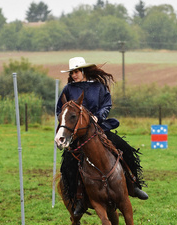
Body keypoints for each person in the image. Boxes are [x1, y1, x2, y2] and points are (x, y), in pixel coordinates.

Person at [56, 57, 148, 216]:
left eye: (76, 71)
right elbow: (60, 110)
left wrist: (98, 116)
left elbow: (107, 104)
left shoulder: (99, 87)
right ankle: (78, 201)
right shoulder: (68, 89)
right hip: (77, 135)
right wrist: (68, 126)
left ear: (83, 71)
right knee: (67, 166)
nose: (74, 75)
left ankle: (134, 185)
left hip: (99, 129)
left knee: (124, 148)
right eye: (72, 72)